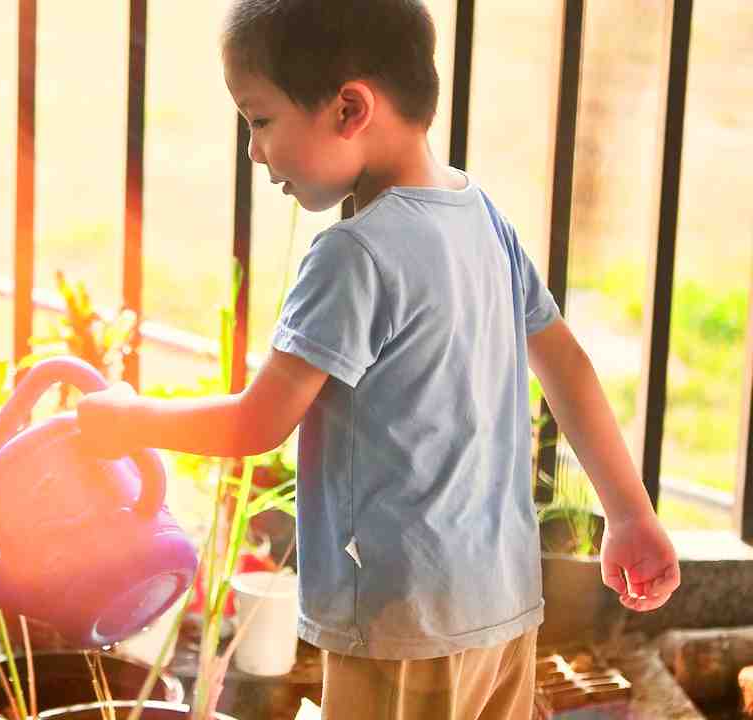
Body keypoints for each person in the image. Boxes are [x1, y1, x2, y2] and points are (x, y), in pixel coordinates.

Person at [75, 1, 681, 717]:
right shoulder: (482, 216)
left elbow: (254, 425)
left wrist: (129, 420)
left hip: (402, 626)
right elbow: (567, 366)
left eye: (259, 120)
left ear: (348, 108)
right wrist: (630, 514)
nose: (254, 153)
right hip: (503, 609)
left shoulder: (353, 255)